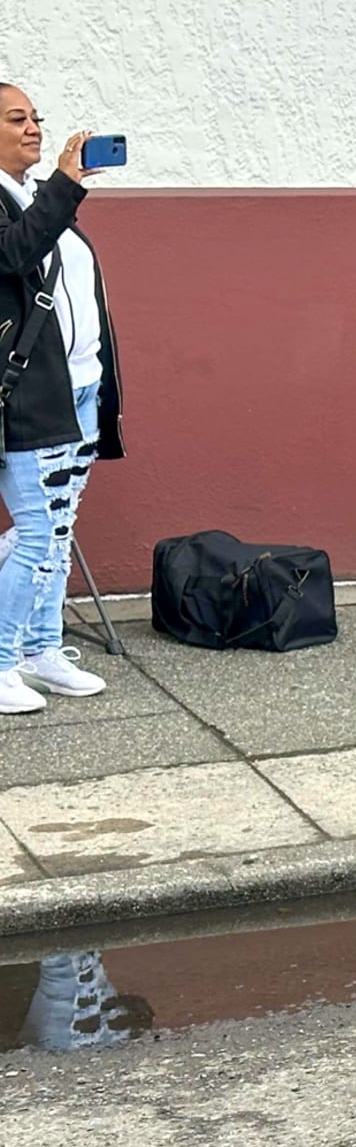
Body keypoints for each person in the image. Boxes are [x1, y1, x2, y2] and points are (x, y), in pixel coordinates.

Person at [0, 87, 121, 715]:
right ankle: (1, 658)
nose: (33, 128)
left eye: (36, 118)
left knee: (57, 530)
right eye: (17, 119)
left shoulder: (33, 198)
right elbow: (14, 254)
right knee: (37, 531)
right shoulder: (18, 204)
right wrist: (66, 187)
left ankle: (42, 647)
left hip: (76, 386)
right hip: (25, 395)